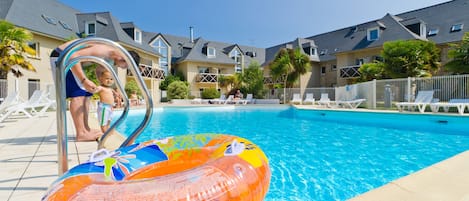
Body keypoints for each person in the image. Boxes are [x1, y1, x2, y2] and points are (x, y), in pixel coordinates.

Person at [50, 38, 140, 141]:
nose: (123, 68)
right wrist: (84, 80)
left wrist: (96, 83)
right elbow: (73, 56)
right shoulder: (105, 50)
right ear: (124, 59)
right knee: (78, 94)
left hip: (69, 59)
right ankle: (81, 133)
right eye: (125, 67)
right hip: (61, 56)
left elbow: (98, 69)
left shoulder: (109, 56)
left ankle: (85, 129)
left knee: (87, 94)